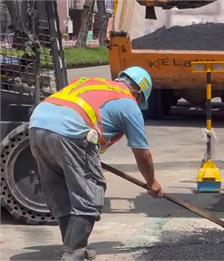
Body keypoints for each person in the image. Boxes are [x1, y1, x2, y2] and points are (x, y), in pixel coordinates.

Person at [29, 66, 163, 261]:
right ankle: (72, 254)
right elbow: (143, 155)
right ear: (139, 93)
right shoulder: (129, 104)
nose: (139, 103)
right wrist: (152, 182)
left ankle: (77, 247)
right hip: (69, 132)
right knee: (89, 197)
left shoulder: (92, 82)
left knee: (62, 195)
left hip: (37, 125)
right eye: (141, 100)